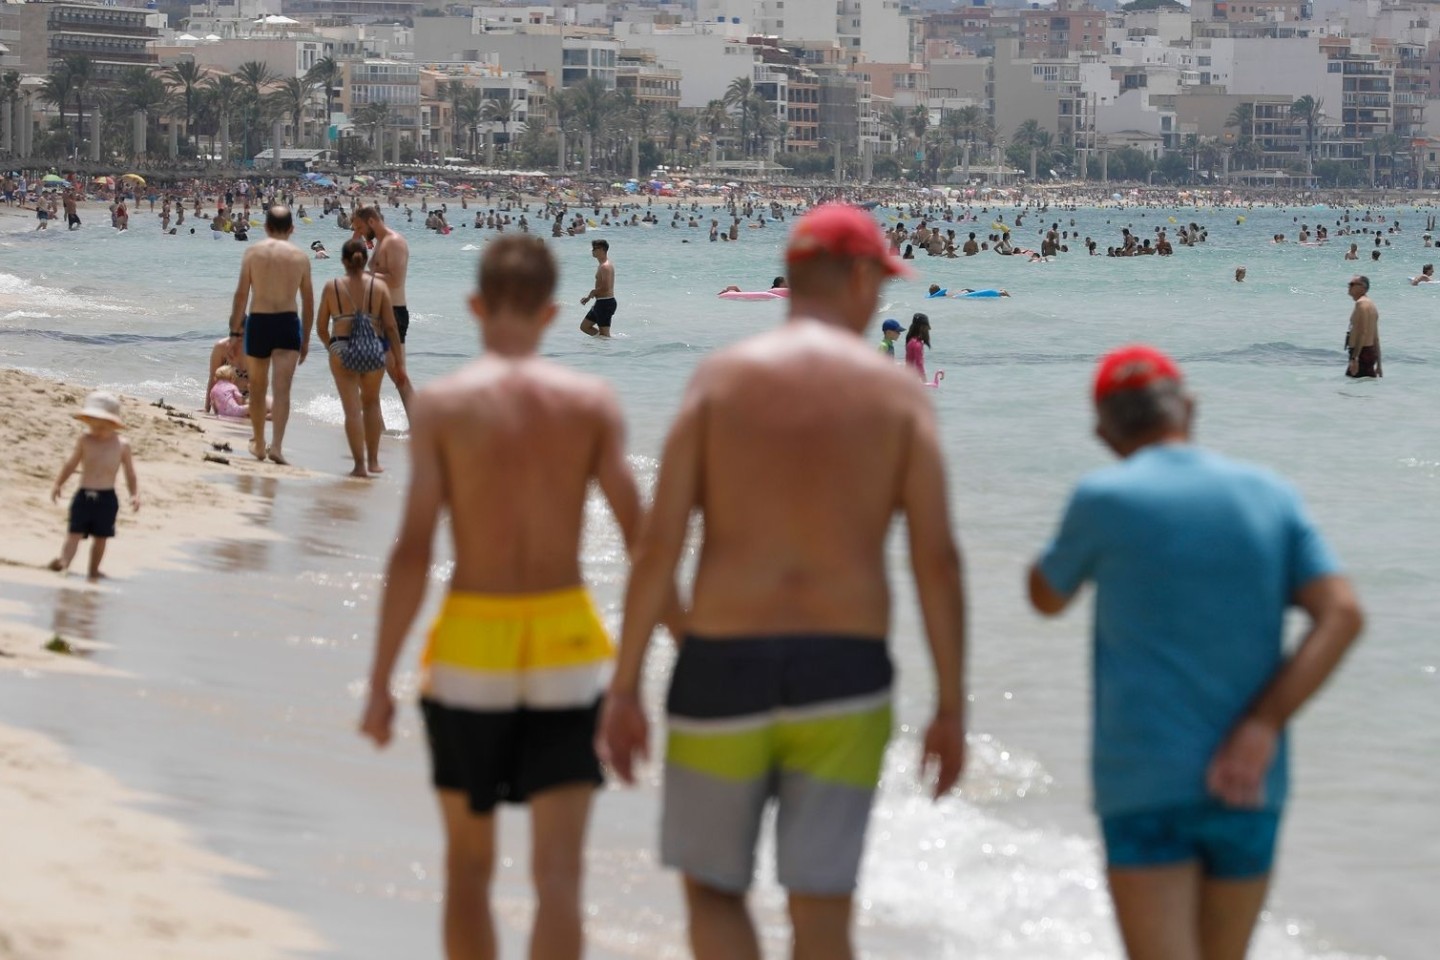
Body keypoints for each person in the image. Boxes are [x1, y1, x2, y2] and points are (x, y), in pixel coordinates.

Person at [597, 203, 966, 960]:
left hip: (722, 666)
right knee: (823, 911)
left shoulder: (720, 384)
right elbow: (937, 562)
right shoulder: (898, 399)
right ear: (860, 279)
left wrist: (626, 682)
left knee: (714, 893)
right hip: (845, 677)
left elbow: (661, 544)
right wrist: (951, 705)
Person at [1026, 344, 1363, 960]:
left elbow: (1046, 597)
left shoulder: (1104, 499)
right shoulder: (1271, 495)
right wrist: (1262, 724)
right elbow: (1342, 614)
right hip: (1251, 781)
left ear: (1103, 428)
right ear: (1190, 408)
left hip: (1144, 783)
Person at [360, 236, 644, 960]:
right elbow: (646, 543)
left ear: (476, 306)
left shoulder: (446, 408)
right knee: (558, 876)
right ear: (553, 313)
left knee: (467, 868)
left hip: (469, 646)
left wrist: (378, 683)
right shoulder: (590, 403)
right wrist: (636, 678)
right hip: (567, 642)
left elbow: (414, 551)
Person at [229, 205, 314, 465]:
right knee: (282, 389)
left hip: (259, 323)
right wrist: (307, 338)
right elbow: (309, 302)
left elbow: (241, 294)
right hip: (288, 323)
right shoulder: (300, 257)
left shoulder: (253, 253)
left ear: (265, 227)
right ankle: (276, 446)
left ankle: (258, 442)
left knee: (258, 387)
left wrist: (234, 332)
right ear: (291, 228)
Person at [317, 238, 405, 478]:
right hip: (373, 348)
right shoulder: (379, 288)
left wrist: (332, 349)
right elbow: (390, 327)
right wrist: (399, 362)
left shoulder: (331, 286)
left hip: (341, 349)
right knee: (371, 403)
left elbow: (321, 328)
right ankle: (374, 462)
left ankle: (358, 466)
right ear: (365, 260)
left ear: (343, 261)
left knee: (352, 411)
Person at [47, 392, 141, 581]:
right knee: (74, 534)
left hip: (107, 499)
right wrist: (58, 483)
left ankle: (94, 570)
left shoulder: (122, 445)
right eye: (92, 424)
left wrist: (134, 494)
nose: (96, 429)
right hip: (83, 496)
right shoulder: (85, 440)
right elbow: (71, 463)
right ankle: (64, 562)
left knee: (101, 537)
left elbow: (130, 473)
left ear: (114, 423)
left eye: (102, 425)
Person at [355, 206, 415, 412]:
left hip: (392, 314)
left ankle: (418, 424)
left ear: (372, 221)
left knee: (398, 375)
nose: (361, 233)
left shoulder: (394, 242)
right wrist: (356, 234)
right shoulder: (380, 242)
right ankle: (377, 427)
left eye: (361, 227)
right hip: (374, 315)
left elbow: (395, 280)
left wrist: (364, 276)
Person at [1344, 275, 1381, 378]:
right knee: (1361, 390)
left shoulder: (1361, 304)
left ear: (1362, 287)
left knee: (1349, 391)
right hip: (1368, 352)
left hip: (1361, 354)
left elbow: (1363, 332)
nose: (1349, 286)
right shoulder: (1371, 305)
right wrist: (1379, 364)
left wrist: (1355, 358)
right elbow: (1376, 338)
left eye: (1352, 284)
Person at [580, 238, 617, 338]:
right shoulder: (601, 265)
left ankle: (607, 349)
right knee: (584, 327)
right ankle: (601, 343)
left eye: (594, 249)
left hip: (606, 303)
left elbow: (606, 287)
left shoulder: (605, 266)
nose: (592, 251)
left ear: (601, 250)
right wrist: (589, 297)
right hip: (600, 303)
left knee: (605, 335)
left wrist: (592, 292)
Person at [905, 312, 931, 381]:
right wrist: (925, 380)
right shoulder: (917, 344)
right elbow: (919, 364)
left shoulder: (911, 341)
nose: (929, 329)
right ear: (921, 328)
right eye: (927, 327)